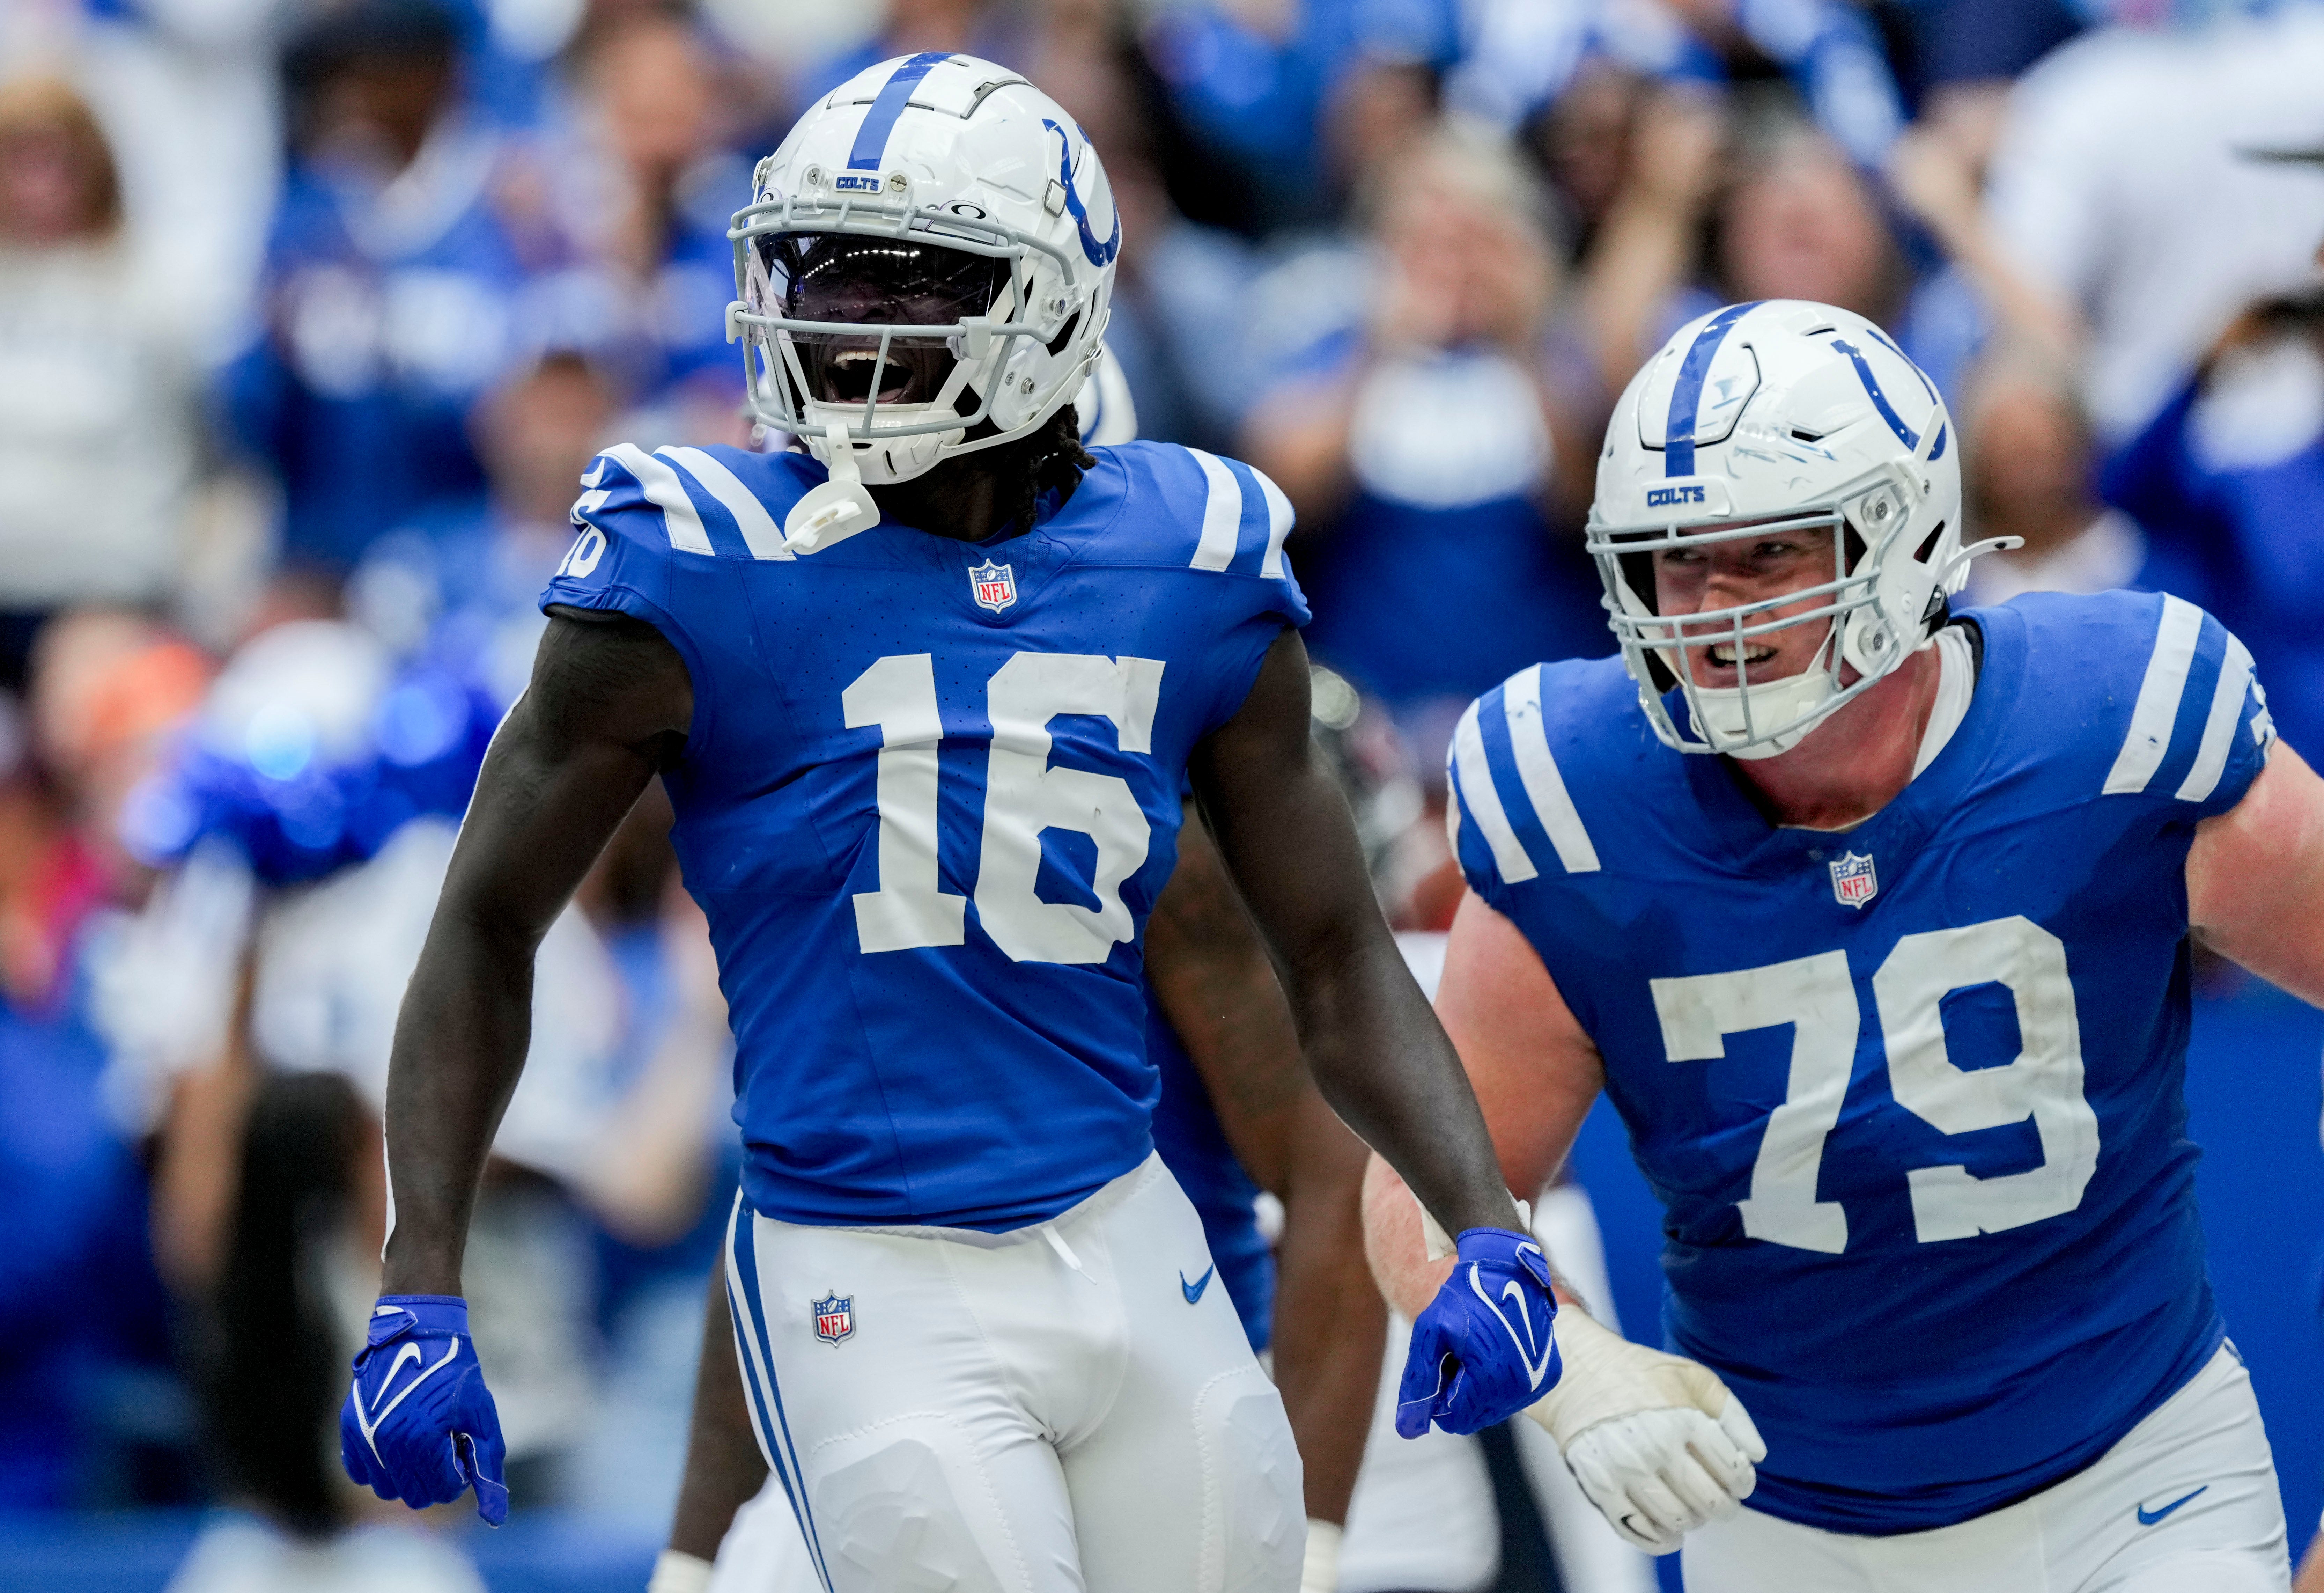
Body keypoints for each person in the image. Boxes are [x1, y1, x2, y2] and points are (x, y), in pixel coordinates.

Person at [339, 52, 1556, 1591]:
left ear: (1049, 306)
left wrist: (1483, 1223)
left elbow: (1332, 950)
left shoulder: (1191, 558)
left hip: (1130, 1231)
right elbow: (484, 923)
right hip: (863, 1262)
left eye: (898, 283)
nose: (836, 320)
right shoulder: (693, 567)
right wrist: (418, 1283)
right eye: (815, 274)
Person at [1364, 296, 2324, 1590]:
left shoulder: (2108, 722)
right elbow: (1431, 1179)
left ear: (1902, 533)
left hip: (2136, 1476)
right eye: (1672, 559)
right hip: (1791, 1526)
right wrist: (1564, 1363)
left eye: (1762, 555)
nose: (1707, 608)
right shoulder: (1581, 794)